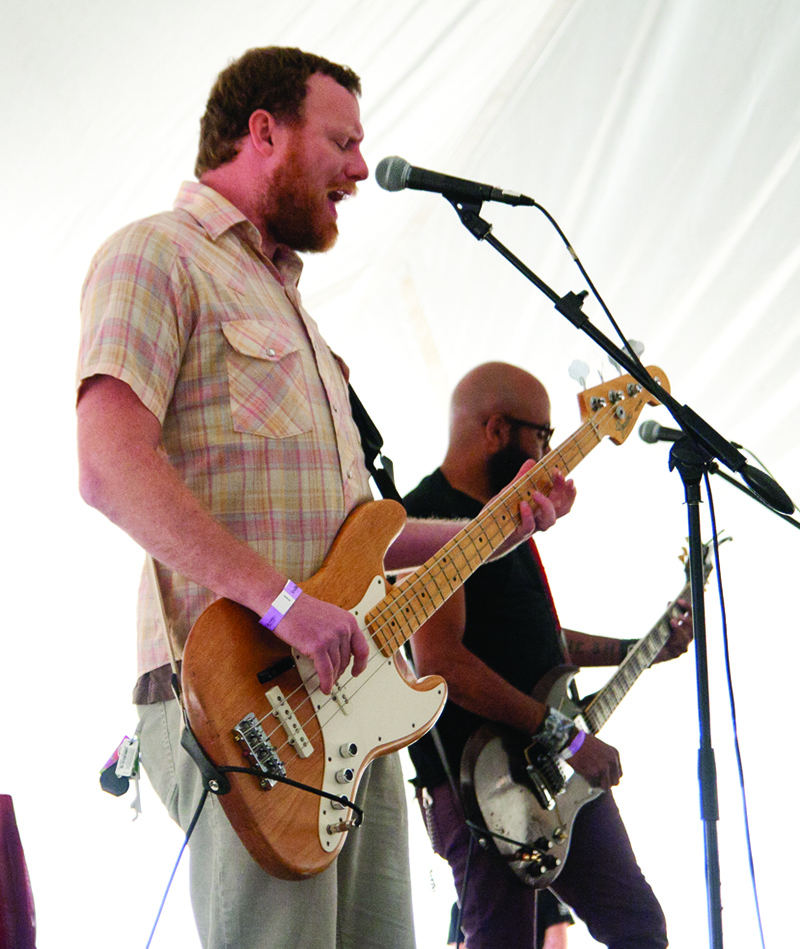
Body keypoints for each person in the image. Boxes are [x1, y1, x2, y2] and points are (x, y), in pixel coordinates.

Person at [75, 49, 576, 949]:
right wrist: (282, 601)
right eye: (341, 142)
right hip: (235, 701)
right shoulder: (155, 255)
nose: (357, 168)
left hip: (348, 708)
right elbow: (109, 467)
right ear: (263, 131)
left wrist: (499, 530)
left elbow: (363, 540)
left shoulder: (300, 317)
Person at [405, 362, 693, 949]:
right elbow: (443, 666)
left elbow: (542, 645)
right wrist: (573, 739)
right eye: (541, 434)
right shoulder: (431, 522)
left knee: (638, 926)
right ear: (494, 430)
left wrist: (640, 648)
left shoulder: (504, 524)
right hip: (479, 783)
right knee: (506, 941)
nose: (549, 452)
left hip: (550, 770)